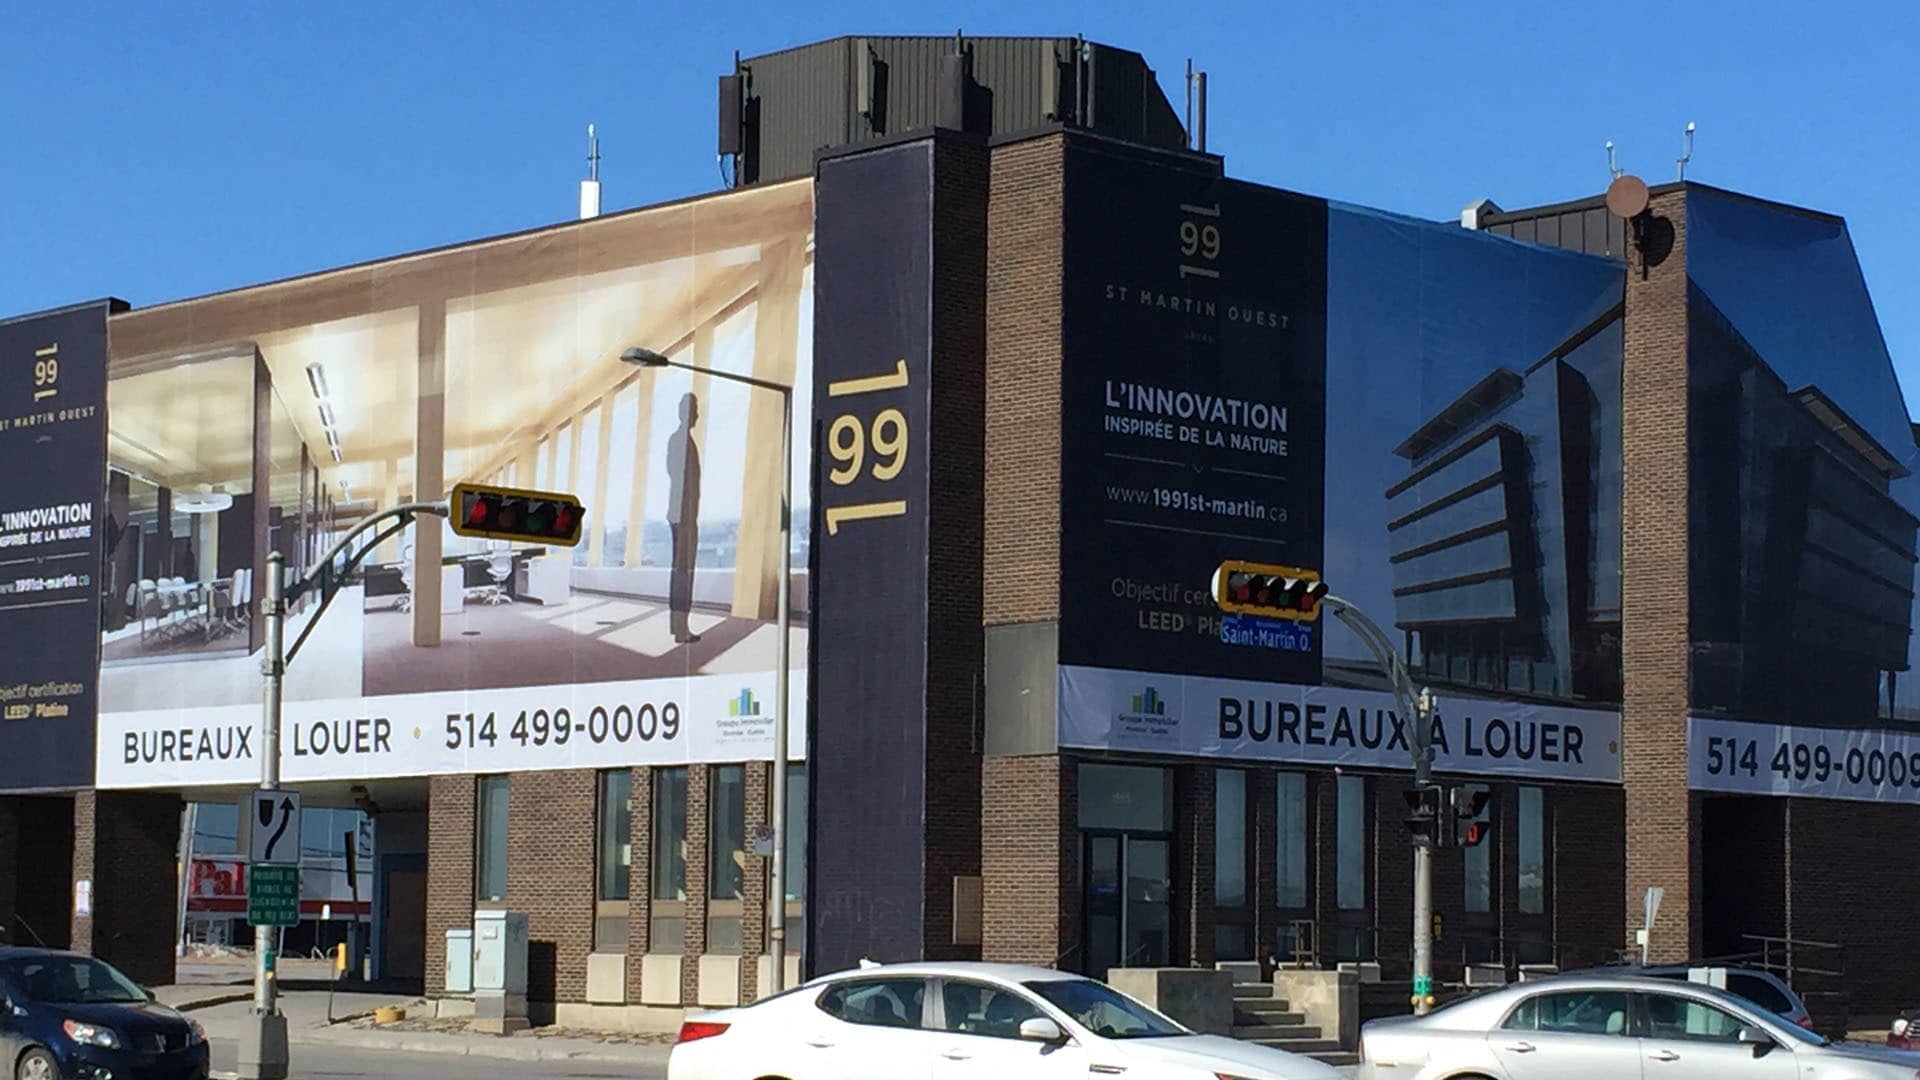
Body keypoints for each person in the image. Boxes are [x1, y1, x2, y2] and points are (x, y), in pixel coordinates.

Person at [665, 392, 703, 644]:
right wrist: (685, 515)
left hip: (681, 513)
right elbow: (679, 477)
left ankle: (679, 626)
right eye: (695, 410)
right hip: (683, 515)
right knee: (683, 572)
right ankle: (681, 628)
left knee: (681, 571)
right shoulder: (681, 441)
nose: (698, 415)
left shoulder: (680, 440)